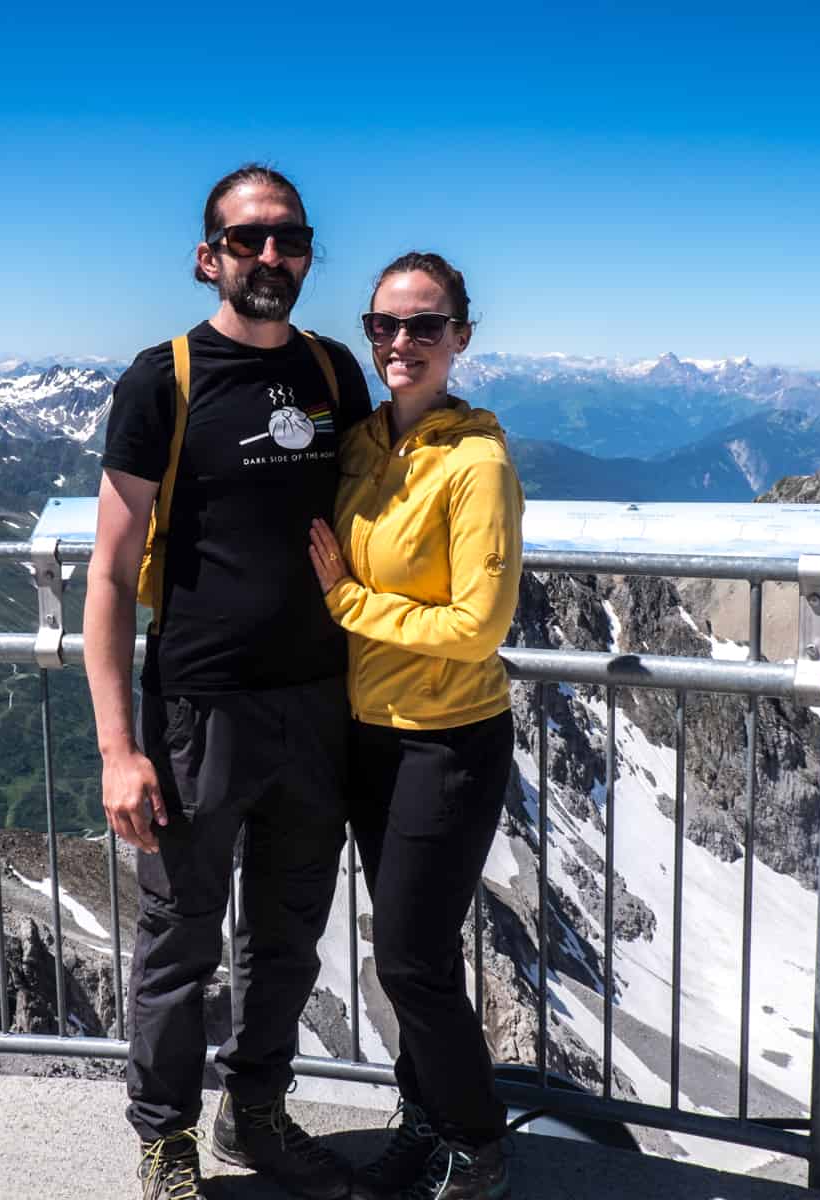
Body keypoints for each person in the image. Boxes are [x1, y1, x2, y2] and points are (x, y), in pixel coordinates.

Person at [85, 164, 372, 1200]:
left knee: (287, 934)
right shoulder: (164, 378)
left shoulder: (337, 371)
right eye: (246, 240)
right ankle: (164, 1138)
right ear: (209, 256)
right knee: (181, 939)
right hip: (197, 711)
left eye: (288, 239)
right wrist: (121, 750)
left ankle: (254, 1114)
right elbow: (111, 575)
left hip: (318, 704)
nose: (269, 257)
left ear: (305, 254)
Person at [306, 252, 523, 1200]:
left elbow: (479, 627)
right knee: (414, 957)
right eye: (385, 325)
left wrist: (349, 603)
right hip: (368, 736)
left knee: (406, 957)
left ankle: (476, 1145)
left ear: (460, 339)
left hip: (448, 736)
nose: (401, 342)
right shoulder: (359, 444)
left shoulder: (478, 463)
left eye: (425, 326)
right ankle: (426, 1124)